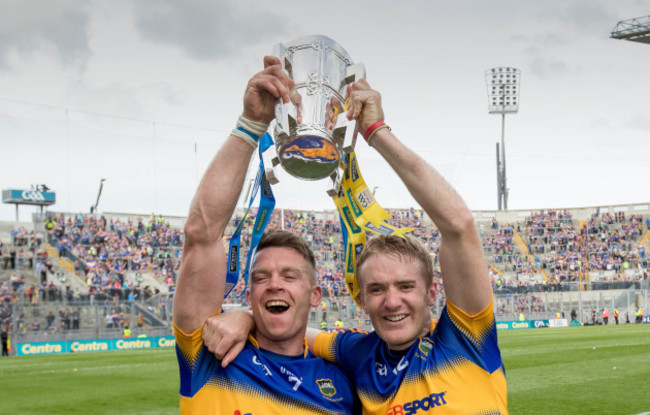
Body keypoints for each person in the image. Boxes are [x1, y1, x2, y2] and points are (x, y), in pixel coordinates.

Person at [205, 79, 508, 414]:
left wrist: (377, 132)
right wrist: (246, 317)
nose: (392, 301)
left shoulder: (466, 340)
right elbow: (292, 327)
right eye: (377, 289)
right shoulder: (357, 352)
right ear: (362, 300)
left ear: (432, 293)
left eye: (406, 286)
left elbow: (458, 226)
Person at [172, 56, 357, 415]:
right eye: (261, 277)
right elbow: (201, 233)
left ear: (315, 294)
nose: (274, 283)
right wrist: (251, 124)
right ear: (249, 292)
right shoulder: (211, 352)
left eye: (290, 276)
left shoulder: (345, 384)